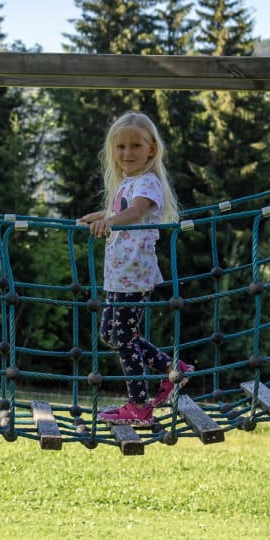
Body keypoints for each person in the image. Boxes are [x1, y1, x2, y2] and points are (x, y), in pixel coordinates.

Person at [79, 112, 193, 425]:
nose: (127, 153)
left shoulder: (148, 182)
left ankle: (139, 406)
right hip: (118, 273)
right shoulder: (128, 183)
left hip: (134, 272)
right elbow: (123, 210)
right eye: (121, 147)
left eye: (135, 146)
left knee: (124, 337)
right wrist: (100, 215)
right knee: (111, 333)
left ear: (151, 149)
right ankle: (175, 369)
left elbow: (138, 211)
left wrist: (108, 222)